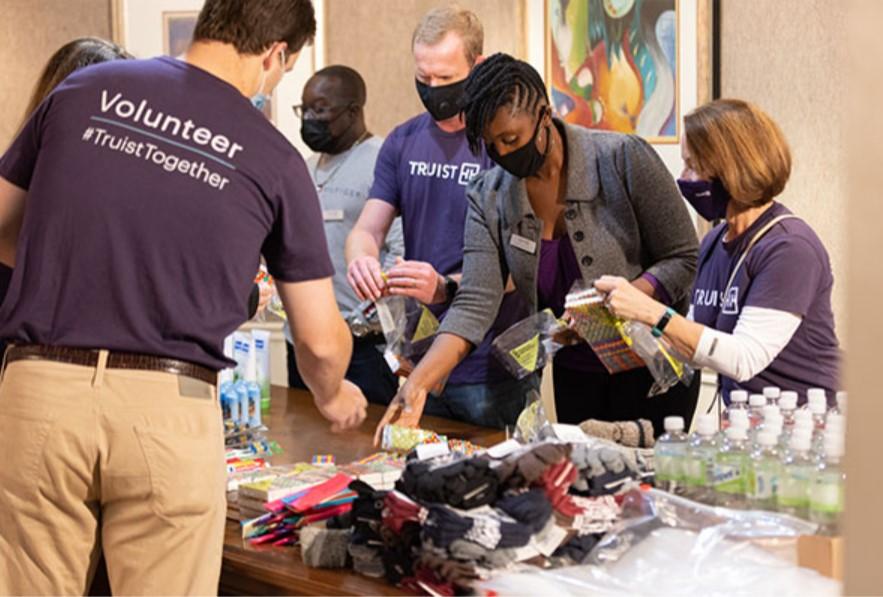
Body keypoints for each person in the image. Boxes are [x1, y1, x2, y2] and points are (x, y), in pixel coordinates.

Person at [0, 1, 367, 594]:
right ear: (277, 55)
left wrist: (72, 271)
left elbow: (4, 226)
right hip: (166, 405)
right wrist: (334, 393)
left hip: (40, 388)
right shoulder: (273, 158)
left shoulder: (84, 88)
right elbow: (321, 342)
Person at [375, 54, 701, 440]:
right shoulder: (489, 195)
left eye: (511, 139)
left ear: (545, 115)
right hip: (576, 375)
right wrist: (419, 384)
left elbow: (683, 256)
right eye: (491, 146)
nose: (504, 153)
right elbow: (475, 302)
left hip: (655, 371)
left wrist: (626, 300)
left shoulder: (623, 158)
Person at [346, 6, 533, 431]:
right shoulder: (403, 140)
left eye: (445, 79)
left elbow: (525, 264)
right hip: (422, 357)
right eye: (423, 78)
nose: (432, 90)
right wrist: (362, 259)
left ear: (477, 66)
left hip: (493, 363)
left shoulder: (504, 142)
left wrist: (447, 285)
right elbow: (366, 229)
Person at [596, 99, 840, 404]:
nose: (683, 177)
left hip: (801, 425)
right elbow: (696, 348)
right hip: (744, 424)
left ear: (732, 169)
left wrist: (648, 309)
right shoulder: (715, 241)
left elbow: (744, 359)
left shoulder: (790, 249)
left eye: (693, 166)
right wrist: (608, 324)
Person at [287, 65, 404, 404]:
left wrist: (361, 318)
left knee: (362, 450)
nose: (309, 118)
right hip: (302, 342)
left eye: (319, 109)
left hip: (362, 347)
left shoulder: (384, 162)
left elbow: (399, 252)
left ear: (352, 111)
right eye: (304, 109)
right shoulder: (305, 168)